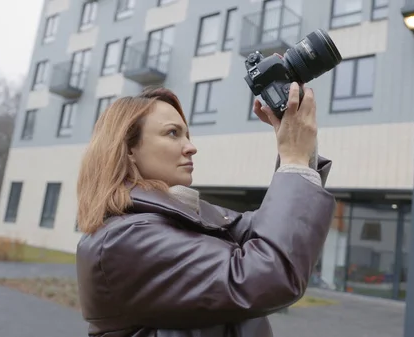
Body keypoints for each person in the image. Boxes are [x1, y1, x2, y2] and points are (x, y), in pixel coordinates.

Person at [75, 82, 336, 337]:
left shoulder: (183, 217)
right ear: (129, 149)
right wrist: (294, 162)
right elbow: (268, 274)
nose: (191, 146)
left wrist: (300, 148)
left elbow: (263, 232)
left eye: (187, 134)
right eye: (172, 133)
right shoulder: (124, 239)